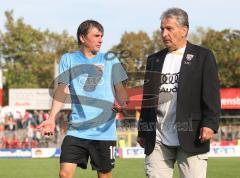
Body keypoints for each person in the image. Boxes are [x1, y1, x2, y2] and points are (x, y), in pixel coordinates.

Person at [37, 20, 128, 178]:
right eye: (96, 36)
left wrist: (122, 102)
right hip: (77, 130)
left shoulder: (111, 59)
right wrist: (51, 118)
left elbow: (120, 89)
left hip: (104, 132)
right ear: (82, 38)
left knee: (104, 176)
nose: (101, 39)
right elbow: (61, 90)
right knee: (64, 174)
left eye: (102, 36)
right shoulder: (68, 59)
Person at [137, 8, 221, 178]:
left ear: (184, 30)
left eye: (169, 28)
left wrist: (210, 124)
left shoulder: (203, 56)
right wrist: (142, 130)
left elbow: (211, 93)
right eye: (162, 29)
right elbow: (148, 99)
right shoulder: (154, 59)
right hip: (158, 136)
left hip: (192, 135)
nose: (164, 34)